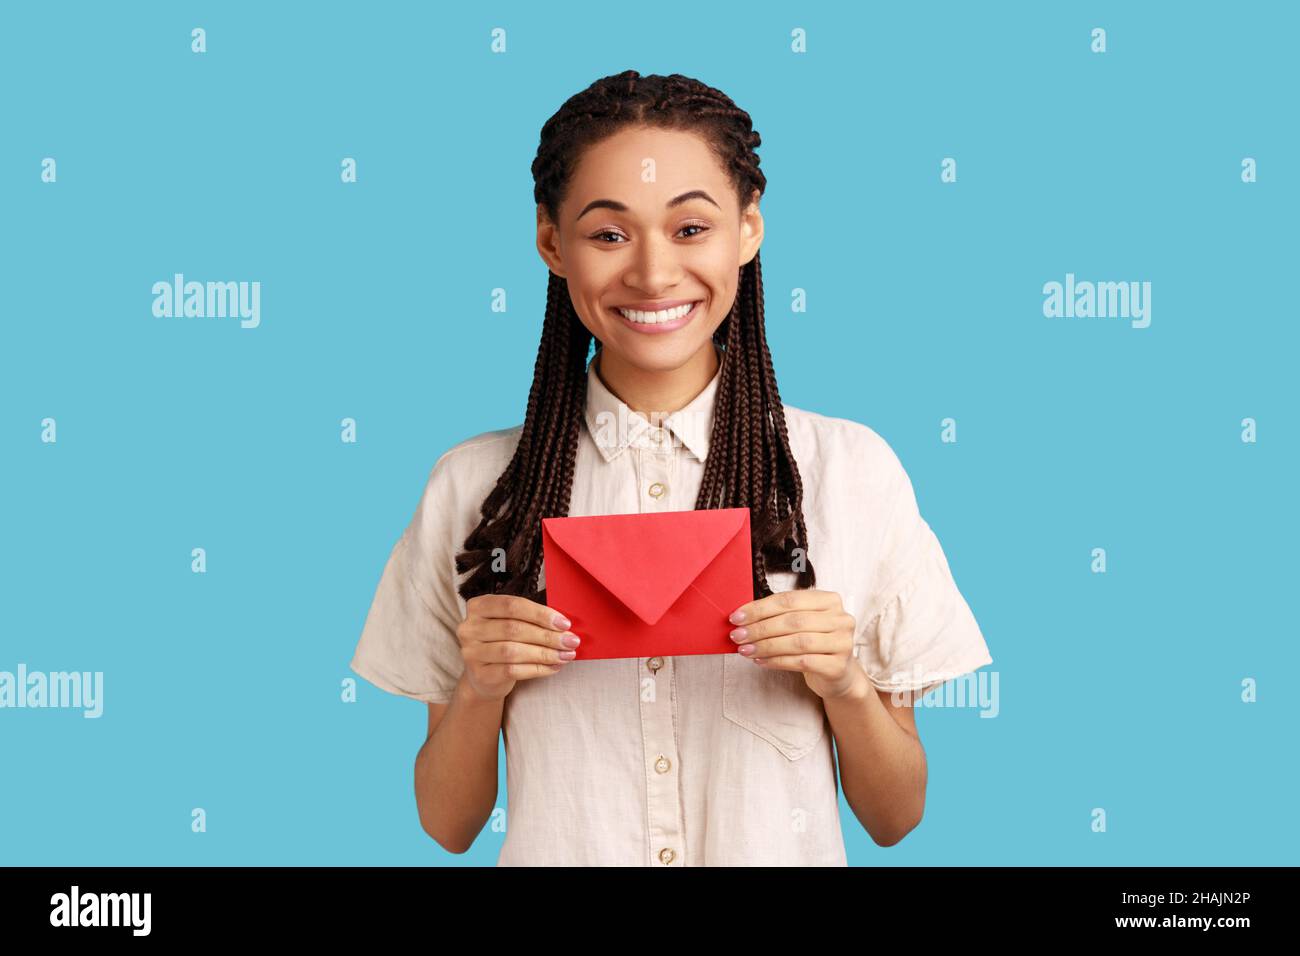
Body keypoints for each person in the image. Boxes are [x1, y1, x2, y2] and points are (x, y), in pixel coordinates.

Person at [350, 70, 992, 866]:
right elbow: (446, 825)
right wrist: (481, 688)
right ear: (551, 242)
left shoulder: (851, 473)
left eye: (691, 229)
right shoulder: (474, 488)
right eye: (608, 234)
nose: (652, 275)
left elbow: (897, 817)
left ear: (748, 230)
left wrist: (846, 683)